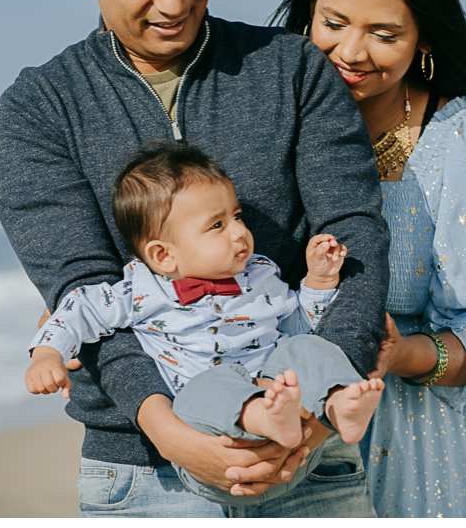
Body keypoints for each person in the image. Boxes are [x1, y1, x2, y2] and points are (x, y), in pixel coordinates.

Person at [0, 0, 390, 518]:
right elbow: (84, 289)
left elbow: (355, 235)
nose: (172, 1)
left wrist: (317, 412)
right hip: (144, 473)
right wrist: (170, 430)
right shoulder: (38, 110)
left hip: (314, 458)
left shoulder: (294, 69)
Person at [275, 0, 466, 517]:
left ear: (423, 38)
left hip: (407, 445)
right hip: (277, 420)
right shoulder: (268, 119)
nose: (350, 52)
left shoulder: (459, 140)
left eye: (384, 34)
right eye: (333, 23)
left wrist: (401, 353)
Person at [25, 140, 384, 507]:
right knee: (209, 384)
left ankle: (338, 402)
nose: (238, 231)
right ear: (163, 255)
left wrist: (318, 283)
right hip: (210, 448)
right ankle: (262, 414)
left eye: (238, 215)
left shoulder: (261, 275)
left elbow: (299, 327)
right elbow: (78, 309)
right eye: (217, 224)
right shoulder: (139, 291)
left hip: (300, 446)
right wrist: (47, 353)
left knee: (308, 348)